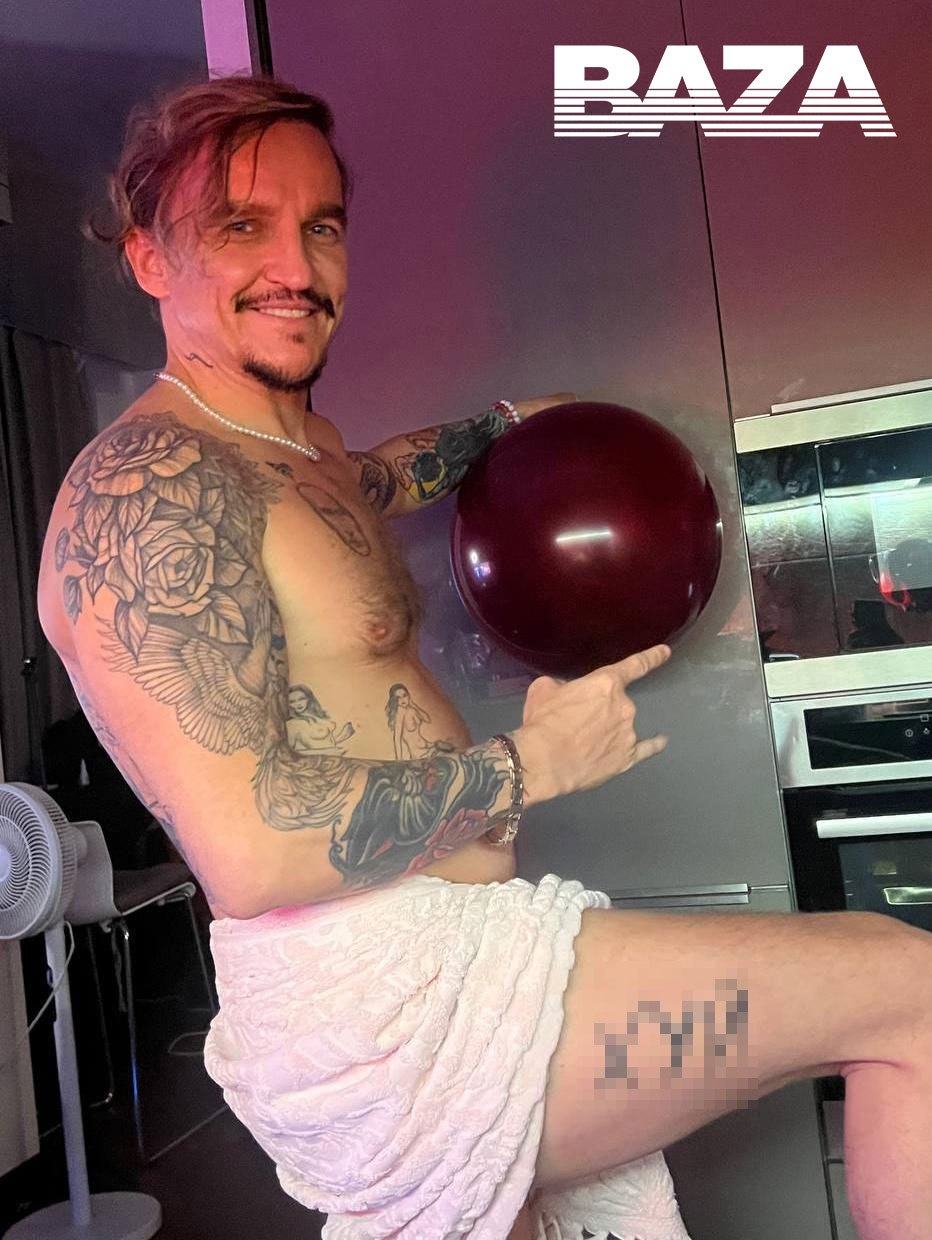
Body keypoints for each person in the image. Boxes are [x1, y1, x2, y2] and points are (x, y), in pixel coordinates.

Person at [36, 74, 930, 1240]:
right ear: (151, 257)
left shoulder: (289, 452)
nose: (296, 267)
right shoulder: (143, 487)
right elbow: (250, 850)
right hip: (378, 1010)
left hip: (453, 958)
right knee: (903, 987)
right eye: (241, 226)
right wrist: (528, 767)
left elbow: (363, 484)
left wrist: (496, 432)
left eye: (321, 226)